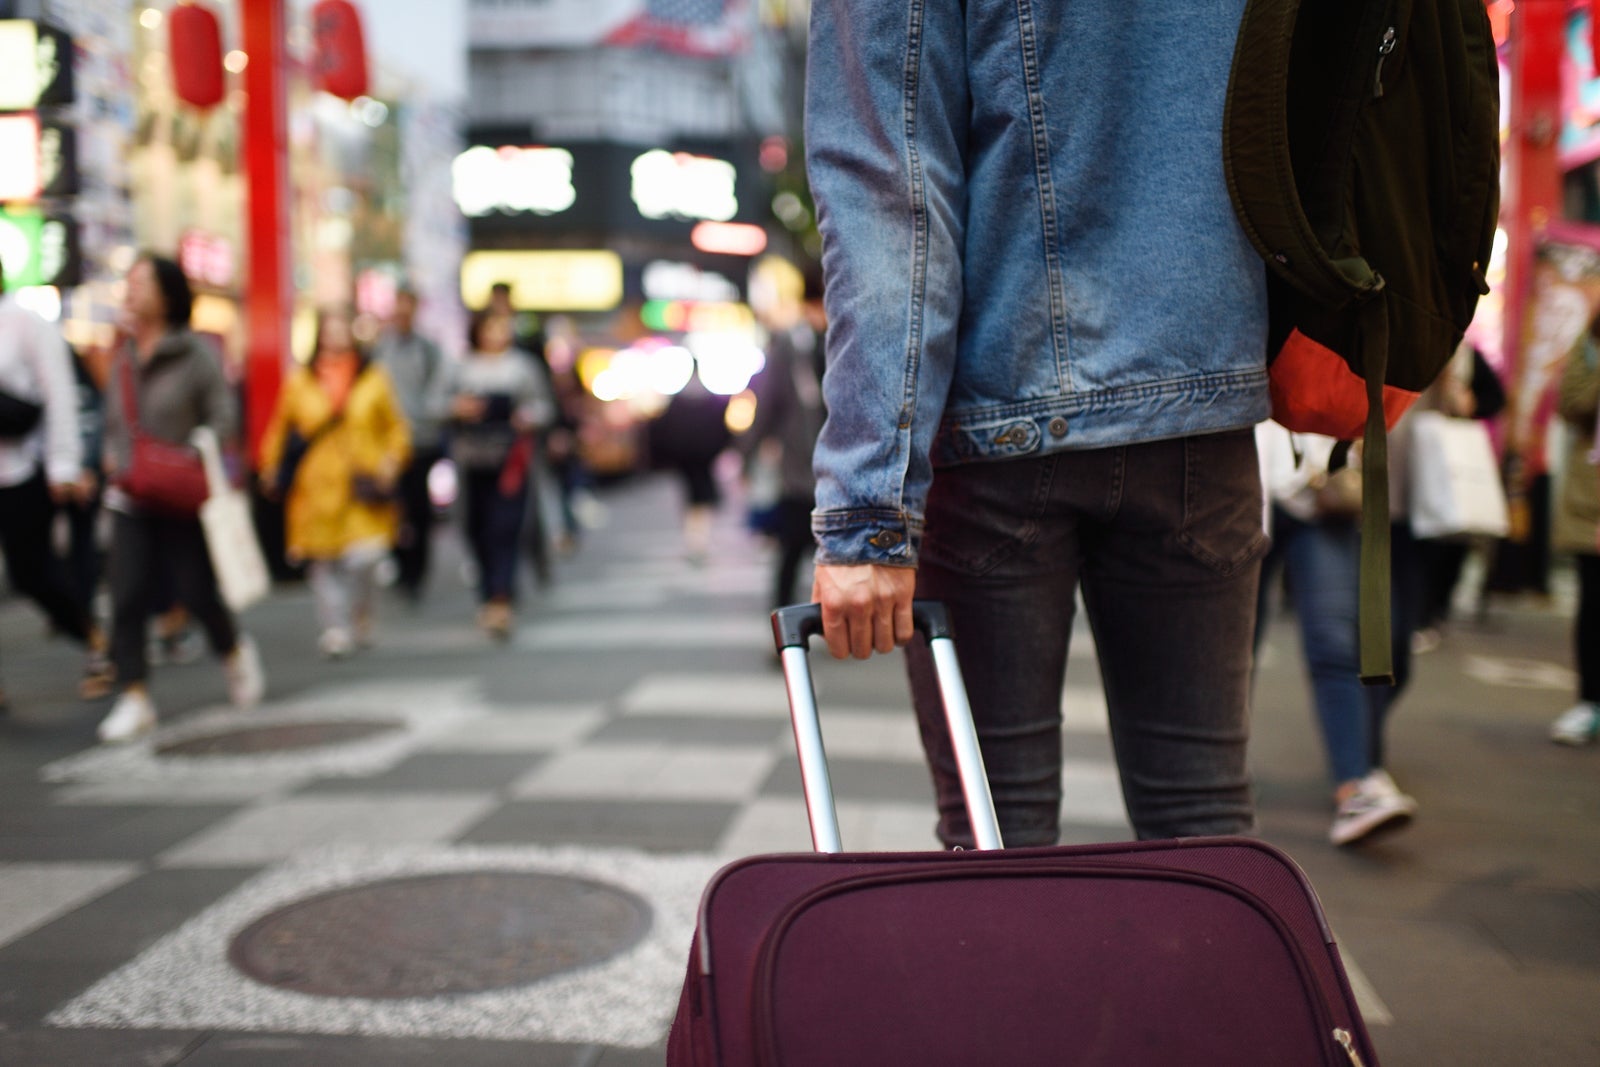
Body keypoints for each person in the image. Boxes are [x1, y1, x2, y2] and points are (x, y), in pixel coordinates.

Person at [804, 0, 1271, 847]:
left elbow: (893, 189)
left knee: (996, 839)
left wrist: (868, 510)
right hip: (1203, 403)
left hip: (999, 425)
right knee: (1204, 827)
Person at [98, 254, 263, 742]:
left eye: (142, 282)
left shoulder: (195, 354)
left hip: (180, 493)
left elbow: (225, 419)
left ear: (168, 294)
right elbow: (113, 421)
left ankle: (232, 649)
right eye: (128, 282)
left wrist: (191, 452)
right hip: (129, 493)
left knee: (195, 590)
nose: (131, 290)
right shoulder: (123, 354)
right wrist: (110, 457)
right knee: (125, 594)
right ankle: (134, 695)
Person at [1256, 424, 1420, 845]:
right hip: (1237, 482)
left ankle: (1354, 786)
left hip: (1320, 489)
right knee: (1230, 647)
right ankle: (1208, 781)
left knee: (1336, 642)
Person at [260, 307, 411, 659]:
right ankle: (335, 627)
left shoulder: (373, 377)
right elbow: (280, 429)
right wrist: (270, 467)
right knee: (323, 562)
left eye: (342, 328)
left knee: (367, 557)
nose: (336, 336)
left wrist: (392, 458)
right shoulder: (301, 381)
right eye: (329, 329)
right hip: (317, 487)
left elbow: (396, 426)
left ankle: (362, 613)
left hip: (363, 482)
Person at [0, 262, 110, 709]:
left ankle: (93, 637)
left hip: (24, 471)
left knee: (33, 573)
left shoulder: (25, 321)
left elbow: (60, 393)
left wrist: (65, 465)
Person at [445, 309, 553, 638]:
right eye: (490, 326)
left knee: (504, 528)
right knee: (475, 528)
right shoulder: (461, 367)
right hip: (471, 460)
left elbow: (544, 406)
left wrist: (527, 417)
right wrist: (459, 407)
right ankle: (487, 592)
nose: (496, 333)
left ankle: (500, 597)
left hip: (511, 461)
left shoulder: (522, 367)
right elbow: (435, 403)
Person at [740, 275, 826, 609]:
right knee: (792, 548)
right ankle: (787, 626)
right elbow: (767, 406)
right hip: (800, 469)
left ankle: (829, 621)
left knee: (825, 551)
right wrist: (746, 455)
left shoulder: (837, 340)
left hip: (834, 467)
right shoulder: (790, 346)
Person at [370, 287, 446, 603]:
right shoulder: (379, 349)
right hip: (387, 443)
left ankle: (417, 571)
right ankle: (399, 564)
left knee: (418, 508)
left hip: (420, 441)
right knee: (390, 506)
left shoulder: (427, 349)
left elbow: (436, 394)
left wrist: (424, 419)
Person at [1549, 322, 1600, 746]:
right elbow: (1569, 405)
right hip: (1592, 498)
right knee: (1595, 602)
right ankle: (1589, 702)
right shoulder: (1589, 346)